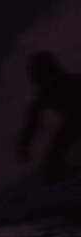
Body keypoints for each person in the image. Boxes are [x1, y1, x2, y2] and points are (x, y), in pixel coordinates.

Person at [18, 51, 81, 182]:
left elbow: (32, 121)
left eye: (37, 73)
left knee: (52, 165)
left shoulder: (67, 82)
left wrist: (24, 145)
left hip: (75, 121)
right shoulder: (45, 94)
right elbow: (32, 121)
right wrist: (24, 145)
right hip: (74, 122)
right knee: (51, 165)